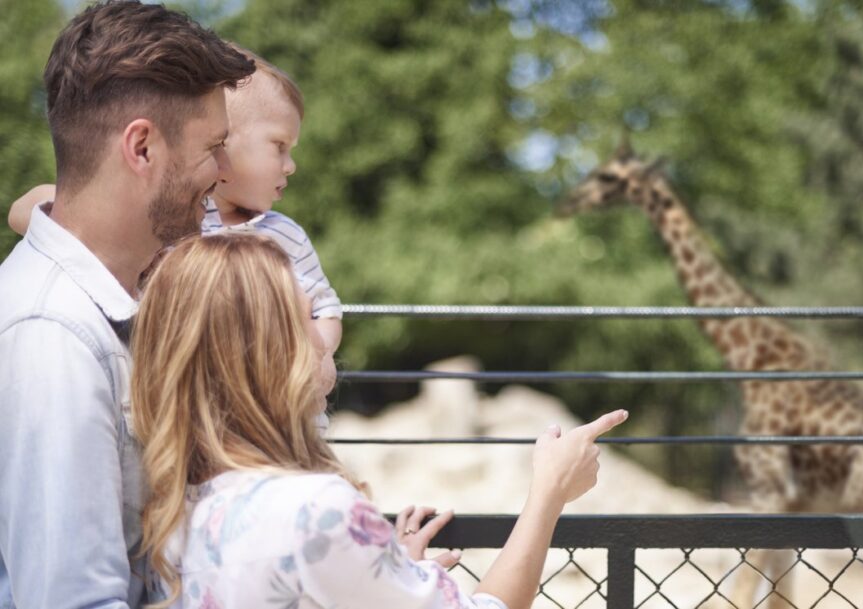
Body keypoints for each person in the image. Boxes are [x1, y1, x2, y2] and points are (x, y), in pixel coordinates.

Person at [129, 232, 627, 609]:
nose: (326, 335)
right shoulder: (319, 511)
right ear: (267, 350)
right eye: (307, 316)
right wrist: (550, 491)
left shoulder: (176, 504)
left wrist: (386, 569)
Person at [0, 2, 255, 607]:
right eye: (214, 147)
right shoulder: (53, 336)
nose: (224, 172)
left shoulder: (107, 308)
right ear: (141, 148)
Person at [8, 46, 343, 410]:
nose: (290, 165)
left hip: (276, 416)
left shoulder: (284, 235)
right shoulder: (176, 224)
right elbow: (24, 209)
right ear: (224, 143)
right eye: (279, 146)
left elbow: (326, 308)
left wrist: (317, 356)